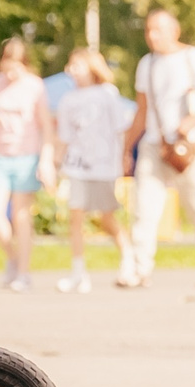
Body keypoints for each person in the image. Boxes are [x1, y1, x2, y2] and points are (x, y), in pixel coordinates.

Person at [120, 7, 195, 289]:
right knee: (144, 209)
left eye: (158, 30)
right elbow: (142, 110)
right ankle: (140, 270)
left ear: (174, 31)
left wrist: (192, 121)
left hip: (188, 146)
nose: (152, 36)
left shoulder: (194, 58)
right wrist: (127, 147)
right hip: (154, 145)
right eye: (148, 30)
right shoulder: (147, 64)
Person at [52, 48, 132, 292]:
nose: (72, 70)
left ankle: (128, 258)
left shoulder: (107, 94)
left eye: (77, 65)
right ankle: (78, 272)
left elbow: (121, 127)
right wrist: (55, 162)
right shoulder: (67, 100)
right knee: (75, 216)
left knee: (106, 216)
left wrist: (125, 155)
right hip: (77, 166)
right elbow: (64, 136)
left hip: (104, 166)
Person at [0, 39, 55, 292]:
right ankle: (13, 258)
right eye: (6, 64)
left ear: (24, 64)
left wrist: (46, 160)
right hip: (0, 156)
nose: (10, 72)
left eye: (15, 66)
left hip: (27, 155)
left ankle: (23, 272)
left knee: (21, 216)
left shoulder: (35, 86)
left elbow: (46, 125)